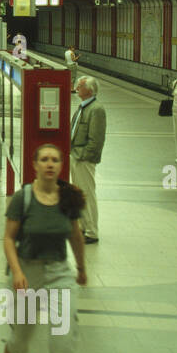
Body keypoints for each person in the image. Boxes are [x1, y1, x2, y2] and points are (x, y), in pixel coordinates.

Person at [0, 143, 88, 353]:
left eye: (55, 160)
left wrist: (82, 268)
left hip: (60, 274)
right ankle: (12, 351)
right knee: (24, 335)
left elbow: (75, 235)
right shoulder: (22, 198)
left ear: (61, 165)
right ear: (35, 165)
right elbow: (9, 239)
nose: (50, 164)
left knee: (65, 341)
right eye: (44, 160)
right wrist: (18, 272)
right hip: (29, 271)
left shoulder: (67, 198)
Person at [69, 77, 106, 245]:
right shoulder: (84, 106)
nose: (77, 87)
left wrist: (84, 155)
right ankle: (84, 227)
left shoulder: (96, 109)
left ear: (90, 90)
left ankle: (92, 231)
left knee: (87, 194)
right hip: (76, 156)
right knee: (80, 194)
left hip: (83, 158)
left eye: (80, 85)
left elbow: (96, 139)